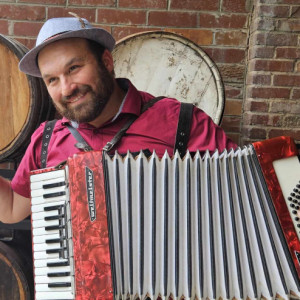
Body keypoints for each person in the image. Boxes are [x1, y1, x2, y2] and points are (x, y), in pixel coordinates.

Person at [0, 16, 237, 224]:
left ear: (106, 62)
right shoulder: (47, 139)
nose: (66, 89)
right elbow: (11, 208)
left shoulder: (182, 123)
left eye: (73, 68)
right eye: (52, 80)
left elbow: (239, 193)